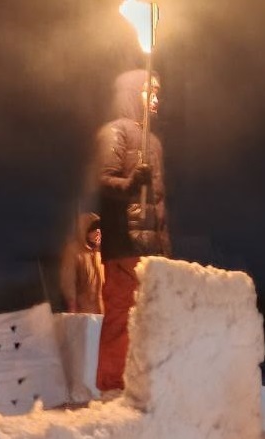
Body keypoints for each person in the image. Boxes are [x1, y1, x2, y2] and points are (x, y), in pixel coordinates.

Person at [96, 70, 171, 392]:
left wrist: (164, 245)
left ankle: (142, 383)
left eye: (157, 92)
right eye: (147, 91)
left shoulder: (153, 141)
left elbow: (158, 201)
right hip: (125, 243)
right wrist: (129, 184)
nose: (155, 98)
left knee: (149, 317)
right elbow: (103, 180)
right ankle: (112, 386)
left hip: (152, 247)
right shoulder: (115, 132)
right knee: (121, 316)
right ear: (130, 93)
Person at [60, 213, 104, 314]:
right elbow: (68, 280)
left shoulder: (99, 253)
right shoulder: (73, 251)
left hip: (101, 311)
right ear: (85, 231)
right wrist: (72, 306)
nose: (98, 233)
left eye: (100, 229)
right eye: (94, 229)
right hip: (83, 311)